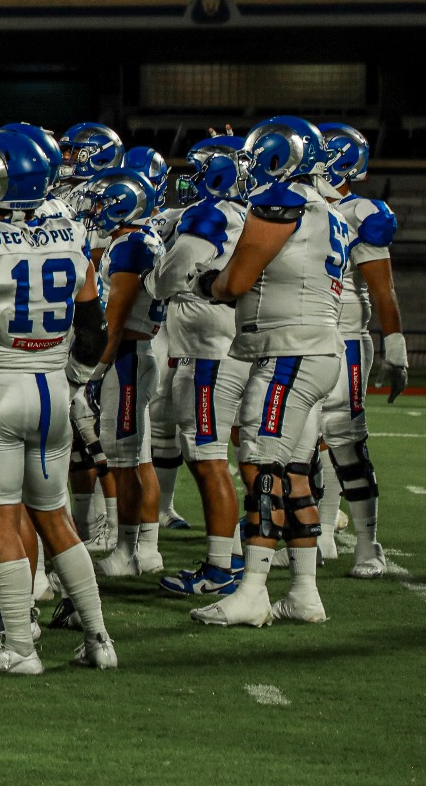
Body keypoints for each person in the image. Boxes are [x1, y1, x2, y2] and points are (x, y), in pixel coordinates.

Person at [0, 130, 116, 674]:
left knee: (0, 520)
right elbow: (93, 325)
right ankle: (100, 640)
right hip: (53, 390)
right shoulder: (71, 233)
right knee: (55, 517)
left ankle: (20, 647)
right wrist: (78, 378)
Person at [189, 116, 346, 627]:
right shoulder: (332, 211)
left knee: (260, 465)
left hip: (288, 354)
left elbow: (235, 282)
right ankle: (304, 592)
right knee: (295, 473)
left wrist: (204, 281)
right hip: (317, 351)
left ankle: (253, 590)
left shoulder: (282, 204)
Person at [147, 137, 250, 597]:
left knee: (208, 461)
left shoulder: (210, 215)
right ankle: (241, 553)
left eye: (200, 168)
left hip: (207, 354)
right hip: (237, 343)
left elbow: (166, 280)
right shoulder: (251, 215)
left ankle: (219, 567)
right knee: (238, 454)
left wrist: (154, 275)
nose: (190, 178)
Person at [309, 123, 401, 578]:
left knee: (345, 441)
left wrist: (396, 349)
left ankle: (368, 544)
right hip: (300, 334)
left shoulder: (362, 212)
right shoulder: (296, 204)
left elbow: (382, 290)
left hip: (343, 334)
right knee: (304, 443)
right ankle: (320, 533)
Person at [87, 151, 169, 579]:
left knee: (124, 461)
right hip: (131, 357)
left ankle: (127, 550)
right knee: (134, 458)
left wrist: (93, 374)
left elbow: (114, 322)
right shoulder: (136, 239)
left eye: (103, 201)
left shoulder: (132, 245)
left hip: (126, 358)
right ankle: (143, 548)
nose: (96, 209)